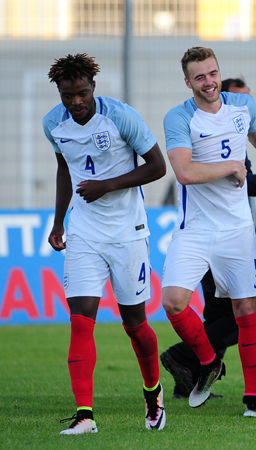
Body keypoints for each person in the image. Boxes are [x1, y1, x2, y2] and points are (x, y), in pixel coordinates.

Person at [161, 46, 256, 417]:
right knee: (173, 302)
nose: (209, 82)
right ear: (187, 81)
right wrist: (231, 167)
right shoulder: (178, 117)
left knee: (245, 310)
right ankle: (208, 361)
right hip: (194, 229)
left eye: (212, 73)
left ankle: (252, 400)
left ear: (219, 72)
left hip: (236, 231)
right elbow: (185, 172)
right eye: (200, 77)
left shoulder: (242, 106)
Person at [43, 53, 167, 434]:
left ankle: (153, 393)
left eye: (81, 93)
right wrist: (59, 221)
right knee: (81, 322)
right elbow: (65, 168)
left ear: (93, 88)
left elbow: (157, 167)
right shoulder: (53, 124)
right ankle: (85, 416)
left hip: (128, 232)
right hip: (84, 233)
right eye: (68, 96)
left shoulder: (120, 116)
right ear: (60, 93)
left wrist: (107, 185)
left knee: (135, 324)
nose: (75, 102)